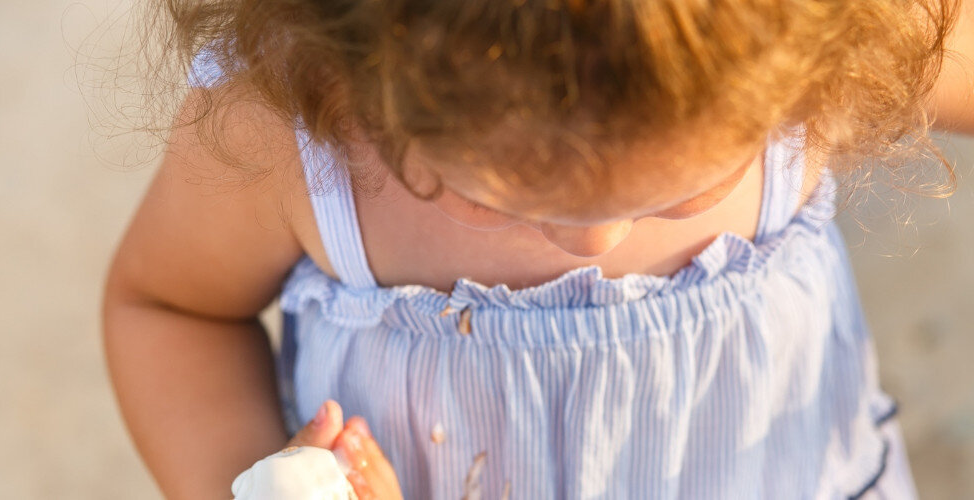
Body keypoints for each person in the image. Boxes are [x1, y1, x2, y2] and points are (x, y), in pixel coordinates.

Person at [101, 0, 974, 498]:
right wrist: (242, 479)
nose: (593, 241)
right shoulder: (295, 129)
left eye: (677, 190)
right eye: (496, 194)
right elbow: (169, 309)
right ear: (353, 75)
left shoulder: (813, 42)